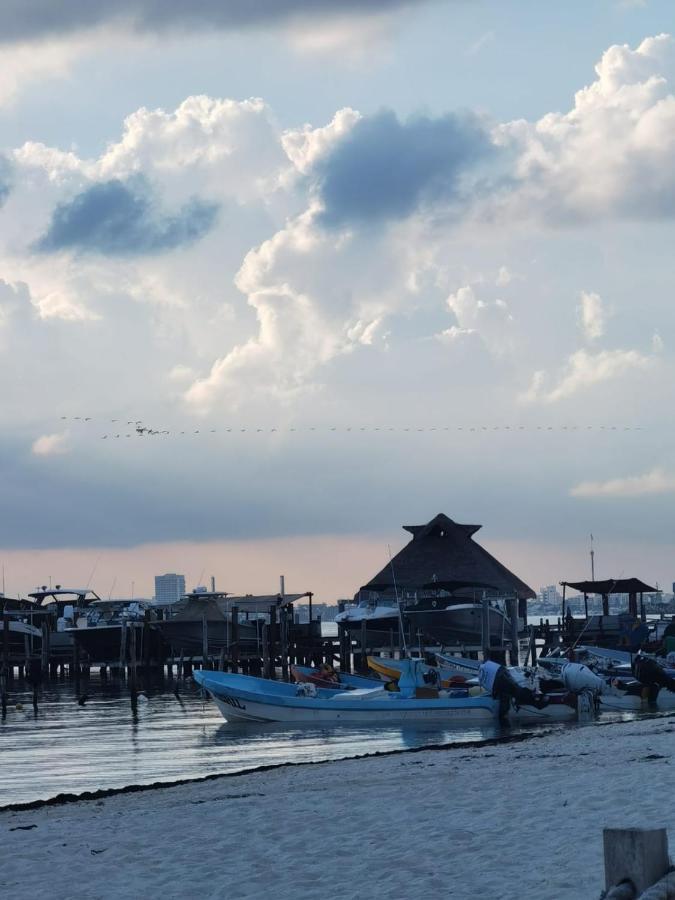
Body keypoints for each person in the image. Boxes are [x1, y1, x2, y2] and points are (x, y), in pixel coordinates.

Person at [479, 654, 547, 721]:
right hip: (501, 675)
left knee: (510, 694)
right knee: (512, 693)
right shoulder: (489, 667)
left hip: (499, 678)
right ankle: (503, 717)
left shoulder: (483, 673)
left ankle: (503, 717)